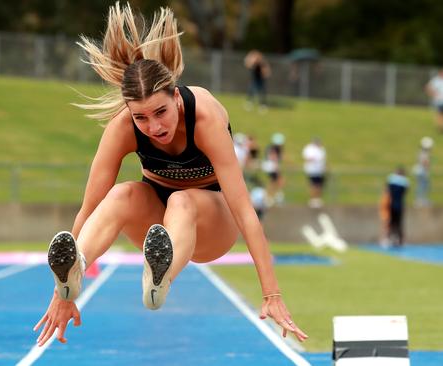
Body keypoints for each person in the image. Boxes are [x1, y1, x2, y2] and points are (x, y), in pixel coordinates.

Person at [34, 3, 308, 346]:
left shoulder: (204, 116)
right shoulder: (122, 127)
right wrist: (63, 295)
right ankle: (78, 269)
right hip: (156, 224)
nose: (154, 127)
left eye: (160, 112)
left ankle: (159, 280)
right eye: (141, 118)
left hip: (212, 224)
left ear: (176, 97)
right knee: (120, 194)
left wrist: (272, 294)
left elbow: (244, 210)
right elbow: (89, 208)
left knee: (182, 200)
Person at [425, 69, 443, 134]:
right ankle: (440, 127)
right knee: (439, 113)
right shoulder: (436, 80)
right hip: (438, 100)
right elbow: (428, 87)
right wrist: (432, 94)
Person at [386, 167, 409, 247]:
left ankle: (390, 239)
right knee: (398, 223)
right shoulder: (404, 181)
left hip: (393, 204)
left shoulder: (392, 180)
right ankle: (400, 240)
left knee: (392, 223)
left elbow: (388, 190)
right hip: (399, 204)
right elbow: (406, 192)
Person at [262, 133, 285, 206]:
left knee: (274, 182)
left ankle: (272, 197)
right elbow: (274, 158)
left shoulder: (271, 148)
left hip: (271, 167)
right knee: (273, 182)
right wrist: (277, 169)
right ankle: (270, 197)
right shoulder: (274, 149)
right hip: (272, 167)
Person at [302, 137, 326, 208]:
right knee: (313, 185)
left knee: (319, 185)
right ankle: (312, 199)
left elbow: (323, 159)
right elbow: (308, 158)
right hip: (312, 170)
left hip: (319, 170)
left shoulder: (322, 149)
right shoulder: (309, 149)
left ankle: (318, 199)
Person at [413, 136, 433, 207]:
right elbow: (425, 162)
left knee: (421, 185)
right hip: (422, 171)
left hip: (419, 171)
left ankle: (420, 200)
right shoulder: (424, 153)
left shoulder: (421, 152)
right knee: (422, 186)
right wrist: (427, 168)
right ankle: (421, 200)